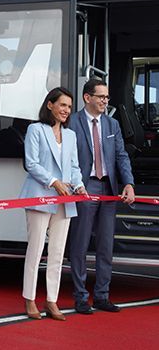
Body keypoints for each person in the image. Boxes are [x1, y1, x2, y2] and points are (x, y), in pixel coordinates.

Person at [19, 87, 86, 321]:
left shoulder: (71, 135)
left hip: (65, 199)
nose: (66, 110)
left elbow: (75, 167)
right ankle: (30, 299)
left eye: (69, 106)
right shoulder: (35, 129)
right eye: (62, 105)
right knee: (35, 250)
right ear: (50, 105)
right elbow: (32, 163)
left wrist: (79, 186)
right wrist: (54, 181)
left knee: (57, 252)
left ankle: (51, 301)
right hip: (40, 195)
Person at [69, 78, 135, 315]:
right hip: (84, 188)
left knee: (106, 246)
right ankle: (80, 297)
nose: (105, 101)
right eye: (101, 97)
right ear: (88, 98)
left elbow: (121, 156)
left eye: (107, 97)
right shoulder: (72, 122)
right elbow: (67, 157)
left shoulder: (112, 124)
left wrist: (128, 183)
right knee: (80, 243)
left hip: (108, 189)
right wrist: (75, 185)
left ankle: (102, 296)